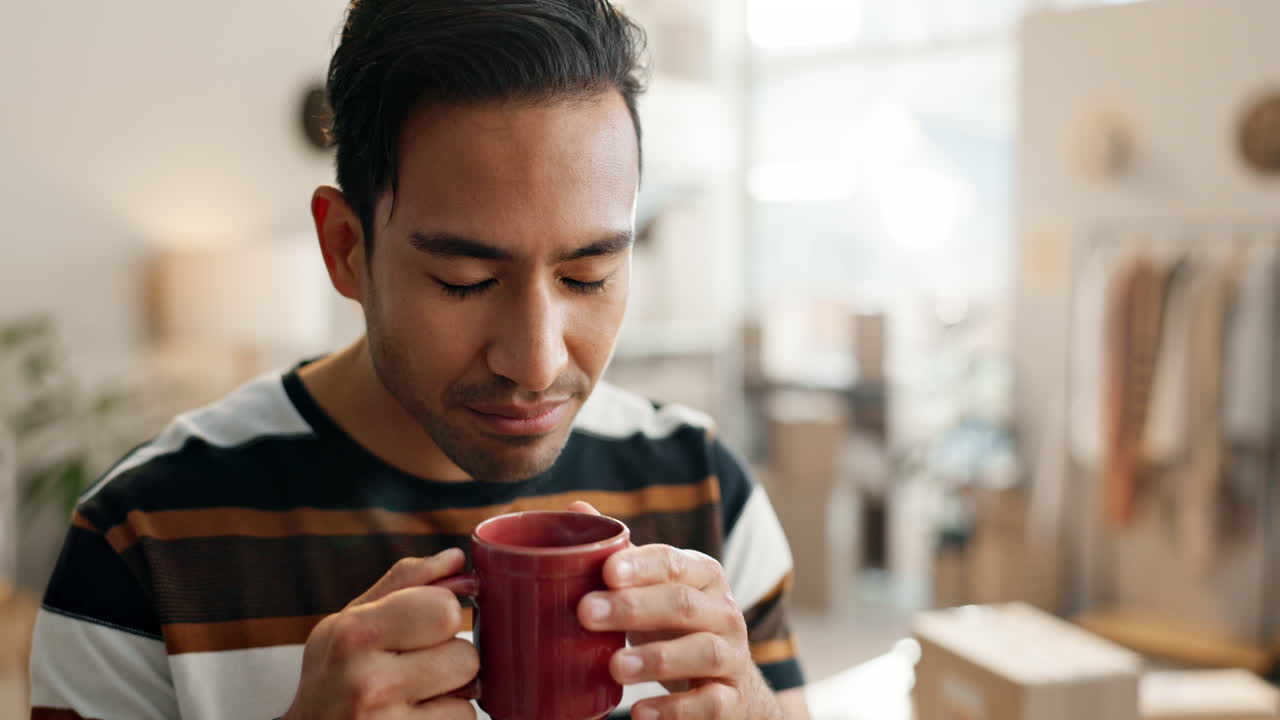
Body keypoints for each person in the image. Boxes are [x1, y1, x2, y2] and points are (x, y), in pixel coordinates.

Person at [29, 1, 808, 718]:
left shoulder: (709, 492)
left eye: (588, 275)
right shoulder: (140, 540)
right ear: (345, 249)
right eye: (464, 282)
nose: (536, 364)